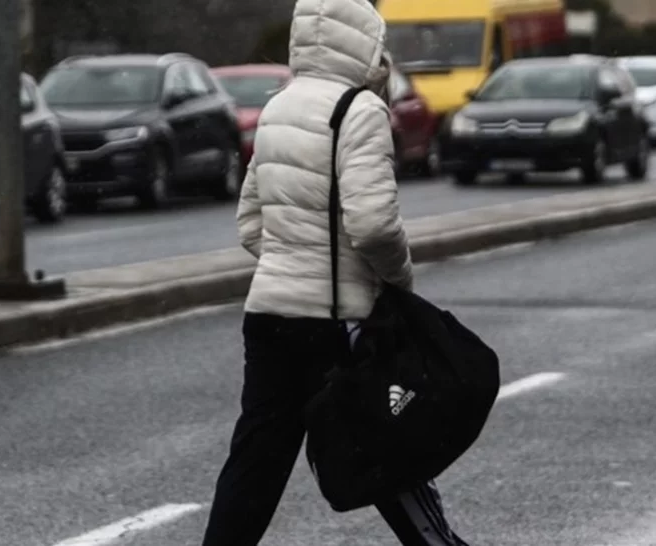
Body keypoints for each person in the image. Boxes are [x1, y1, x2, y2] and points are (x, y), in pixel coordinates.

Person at [199, 0, 469, 544]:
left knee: (256, 462)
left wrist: (290, 259)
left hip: (269, 314)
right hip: (336, 320)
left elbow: (250, 224)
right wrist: (397, 281)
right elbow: (372, 227)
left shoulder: (278, 107)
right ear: (365, 40)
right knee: (389, 450)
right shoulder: (359, 110)